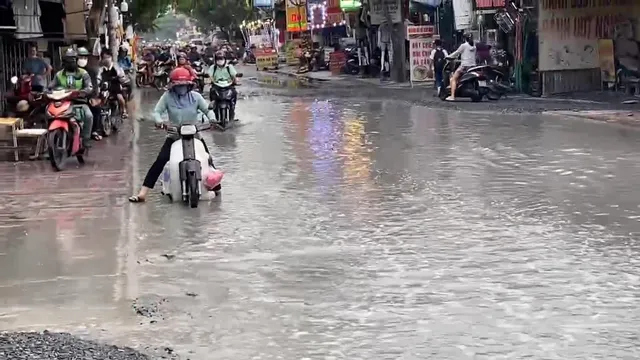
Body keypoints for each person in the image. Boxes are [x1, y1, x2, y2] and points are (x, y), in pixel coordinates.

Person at [128, 67, 218, 203]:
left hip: (194, 134)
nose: (181, 88)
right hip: (174, 134)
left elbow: (207, 110)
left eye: (184, 85)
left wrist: (212, 119)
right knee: (160, 161)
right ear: (172, 86)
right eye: (178, 86)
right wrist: (159, 122)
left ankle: (216, 186)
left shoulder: (196, 97)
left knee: (208, 158)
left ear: (189, 85)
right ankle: (143, 193)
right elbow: (157, 112)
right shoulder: (167, 97)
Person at [48, 48, 94, 148]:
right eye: (67, 60)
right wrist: (46, 91)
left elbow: (89, 87)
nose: (70, 63)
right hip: (62, 103)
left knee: (89, 116)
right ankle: (49, 142)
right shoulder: (59, 74)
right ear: (64, 61)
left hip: (79, 102)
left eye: (72, 60)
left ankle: (85, 139)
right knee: (47, 113)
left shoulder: (83, 73)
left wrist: (83, 92)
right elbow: (51, 86)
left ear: (76, 60)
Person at [76, 47, 103, 141]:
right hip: (70, 97)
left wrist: (93, 97)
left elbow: (94, 86)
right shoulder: (68, 71)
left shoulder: (90, 71)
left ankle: (94, 130)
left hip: (86, 97)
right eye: (80, 57)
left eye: (84, 57)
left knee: (96, 109)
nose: (82, 59)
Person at [97, 50, 129, 119]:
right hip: (105, 88)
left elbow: (122, 76)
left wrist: (121, 78)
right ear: (102, 59)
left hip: (115, 87)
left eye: (108, 57)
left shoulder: (116, 67)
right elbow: (98, 78)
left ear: (111, 57)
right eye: (104, 58)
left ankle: (124, 111)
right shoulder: (101, 69)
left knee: (120, 98)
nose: (106, 59)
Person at [207, 51, 238, 121]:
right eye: (218, 59)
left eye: (221, 59)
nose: (220, 61)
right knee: (212, 91)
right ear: (215, 60)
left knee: (234, 92)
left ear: (225, 59)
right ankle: (213, 103)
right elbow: (210, 75)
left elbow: (234, 75)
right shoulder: (213, 67)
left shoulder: (229, 67)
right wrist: (212, 81)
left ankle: (232, 108)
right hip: (217, 85)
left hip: (228, 85)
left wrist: (234, 81)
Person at [446, 33, 477, 101]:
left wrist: (448, 57)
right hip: (473, 66)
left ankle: (452, 96)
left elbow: (456, 53)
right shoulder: (474, 46)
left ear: (464, 38)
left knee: (453, 79)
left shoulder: (463, 45)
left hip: (464, 66)